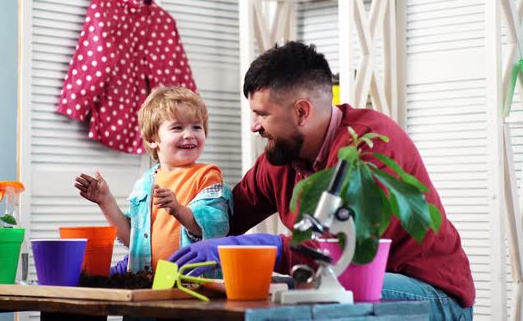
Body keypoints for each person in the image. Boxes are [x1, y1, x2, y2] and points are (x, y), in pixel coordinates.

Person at [168, 41, 475, 320]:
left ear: (302, 111)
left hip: (431, 294)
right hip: (341, 281)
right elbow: (230, 218)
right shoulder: (281, 156)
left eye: (262, 114)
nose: (253, 126)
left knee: (307, 298)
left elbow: (338, 254)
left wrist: (265, 247)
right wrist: (187, 215)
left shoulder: (369, 147)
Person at [75, 86, 232, 274]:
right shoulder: (145, 183)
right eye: (177, 127)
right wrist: (105, 200)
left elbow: (216, 228)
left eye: (196, 127)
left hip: (192, 283)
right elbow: (131, 240)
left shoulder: (206, 175)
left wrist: (178, 210)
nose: (189, 134)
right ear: (152, 138)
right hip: (148, 282)